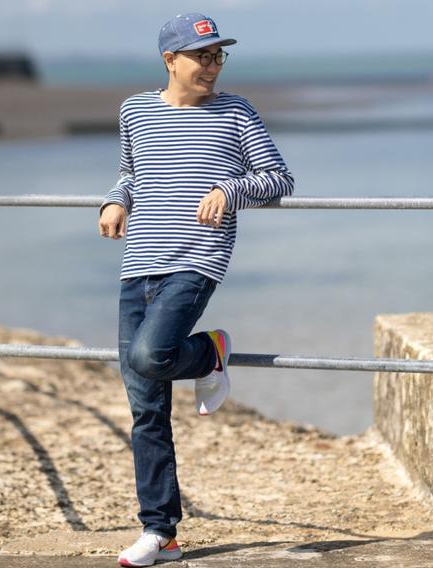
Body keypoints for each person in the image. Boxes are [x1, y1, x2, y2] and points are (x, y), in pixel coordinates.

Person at [98, 12, 294, 567]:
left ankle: (211, 351)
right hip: (138, 264)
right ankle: (161, 534)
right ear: (170, 60)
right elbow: (131, 171)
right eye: (201, 56)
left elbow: (279, 177)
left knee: (150, 355)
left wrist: (231, 189)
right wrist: (116, 199)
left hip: (196, 260)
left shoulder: (237, 112)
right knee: (145, 409)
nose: (211, 66)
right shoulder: (134, 110)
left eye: (217, 56)